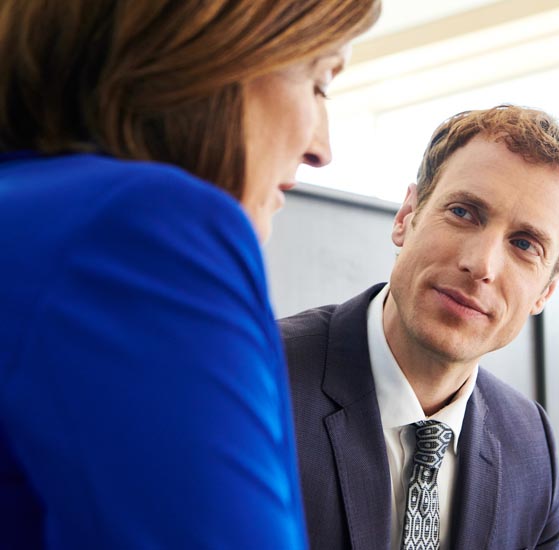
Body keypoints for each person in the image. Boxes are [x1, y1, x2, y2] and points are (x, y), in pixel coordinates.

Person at [0, 0, 380, 547]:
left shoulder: (32, 214)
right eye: (319, 82)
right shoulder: (143, 231)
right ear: (216, 49)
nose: (322, 148)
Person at [279, 104, 559, 550]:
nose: (480, 264)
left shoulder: (529, 444)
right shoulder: (259, 378)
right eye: (464, 212)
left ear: (546, 291)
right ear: (406, 217)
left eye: (525, 244)